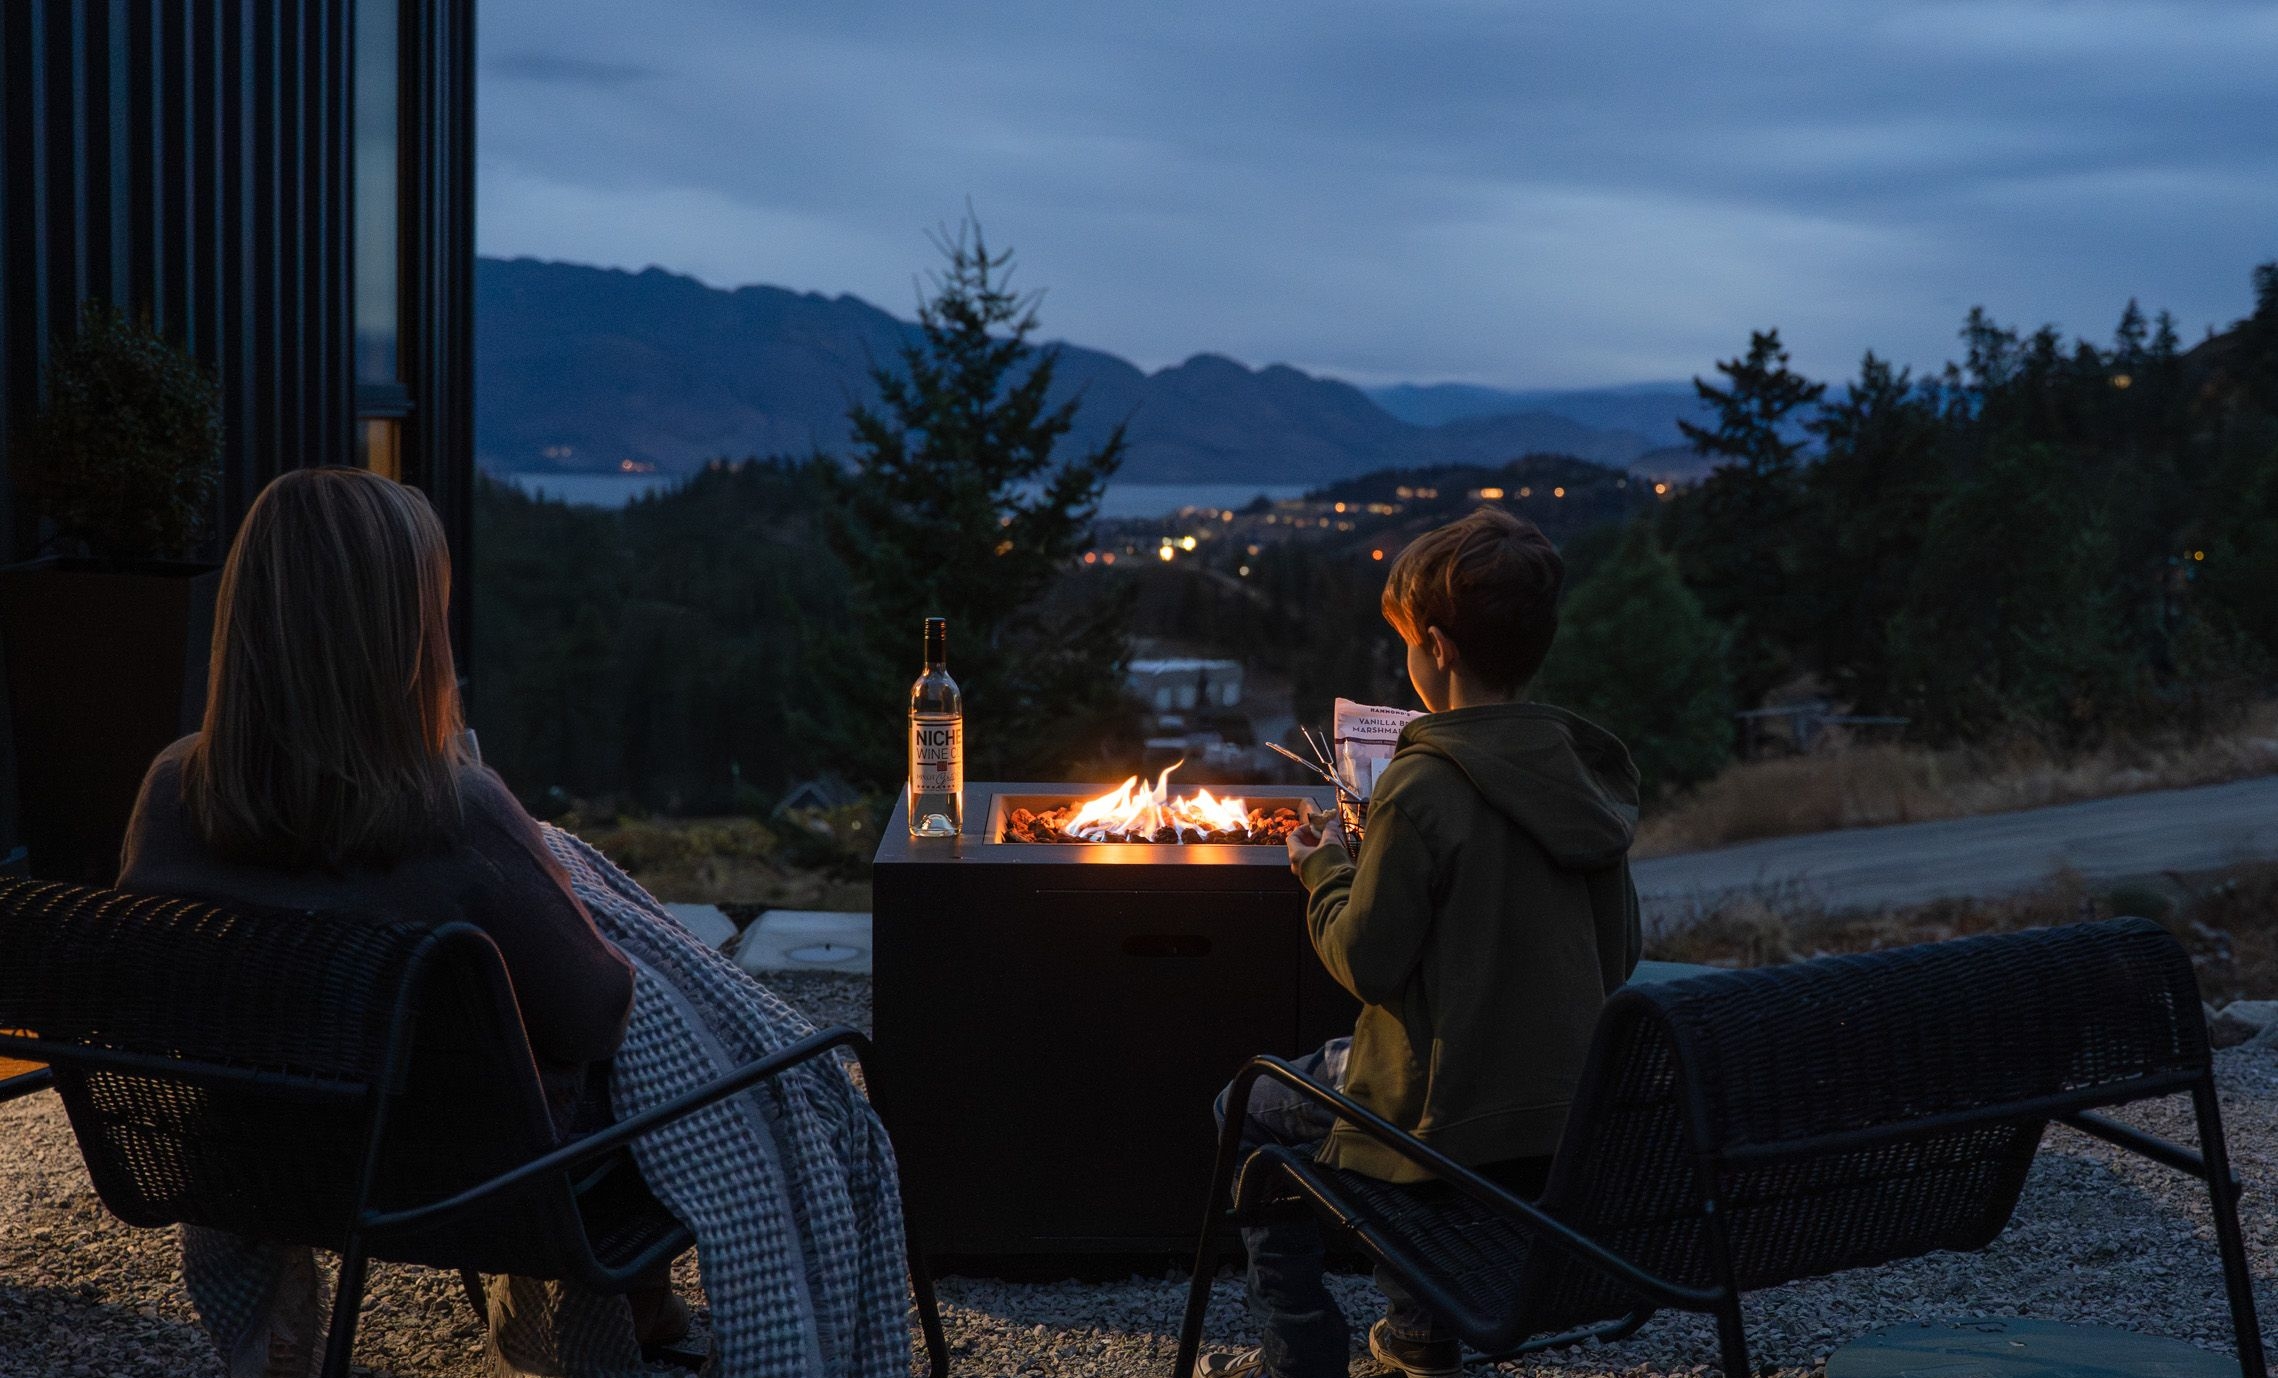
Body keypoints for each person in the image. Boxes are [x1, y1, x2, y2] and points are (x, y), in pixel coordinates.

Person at [117, 468, 668, 1376]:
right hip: (466, 1180)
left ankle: (646, 1313)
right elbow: (594, 1012)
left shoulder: (176, 790)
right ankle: (640, 1309)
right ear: (402, 637)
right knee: (671, 1068)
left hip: (255, 1161)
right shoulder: (456, 813)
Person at [1197, 506, 1643, 1378]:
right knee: (1398, 1059)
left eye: (1406, 641)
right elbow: (1616, 953)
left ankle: (1301, 1348)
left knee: (1247, 1107)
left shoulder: (1422, 783)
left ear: (1436, 647)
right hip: (1565, 1104)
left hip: (1448, 1120)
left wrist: (1326, 870)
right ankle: (1416, 1329)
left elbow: (1367, 962)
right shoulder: (1579, 773)